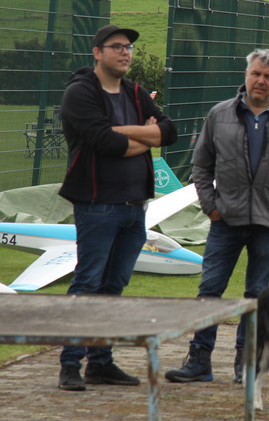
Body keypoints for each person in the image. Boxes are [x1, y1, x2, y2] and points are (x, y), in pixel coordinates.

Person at [165, 48, 269, 385]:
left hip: (268, 223)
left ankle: (246, 363)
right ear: (246, 74)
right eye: (256, 74)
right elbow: (200, 166)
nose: (261, 81)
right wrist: (210, 206)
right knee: (209, 290)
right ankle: (199, 361)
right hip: (224, 221)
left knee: (257, 296)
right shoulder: (220, 115)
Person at [56, 25, 178, 392]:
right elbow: (105, 143)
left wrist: (128, 132)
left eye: (128, 48)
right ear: (97, 52)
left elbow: (169, 132)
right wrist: (144, 134)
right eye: (117, 47)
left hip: (134, 208)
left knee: (114, 287)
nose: (125, 53)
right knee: (88, 283)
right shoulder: (80, 93)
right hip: (97, 206)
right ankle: (69, 365)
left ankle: (101, 363)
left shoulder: (136, 92)